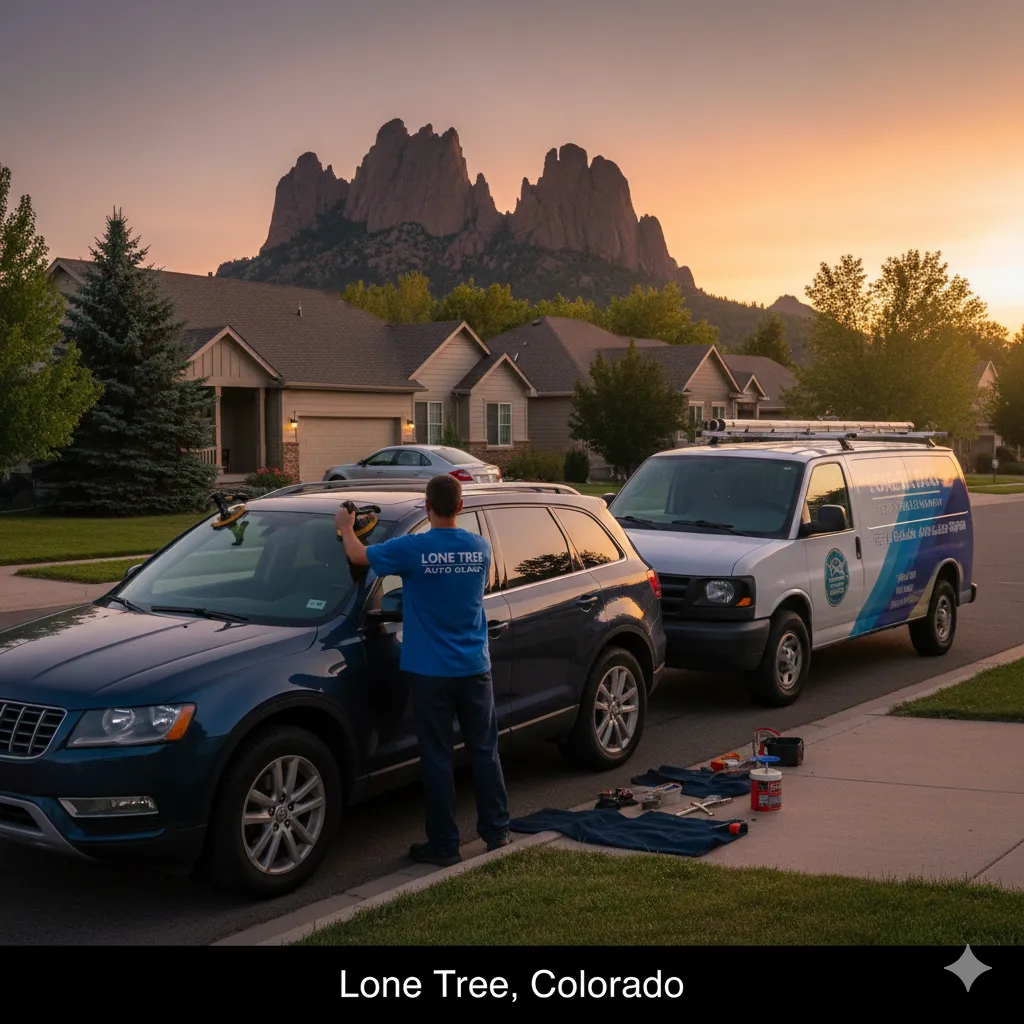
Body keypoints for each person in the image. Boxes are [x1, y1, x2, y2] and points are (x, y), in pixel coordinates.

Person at [335, 474, 511, 866]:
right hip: (473, 667)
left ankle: (444, 845)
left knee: (436, 756)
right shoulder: (479, 547)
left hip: (431, 671)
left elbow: (358, 556)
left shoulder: (414, 549)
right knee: (485, 751)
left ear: (427, 506)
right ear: (461, 507)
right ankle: (497, 832)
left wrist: (346, 528)